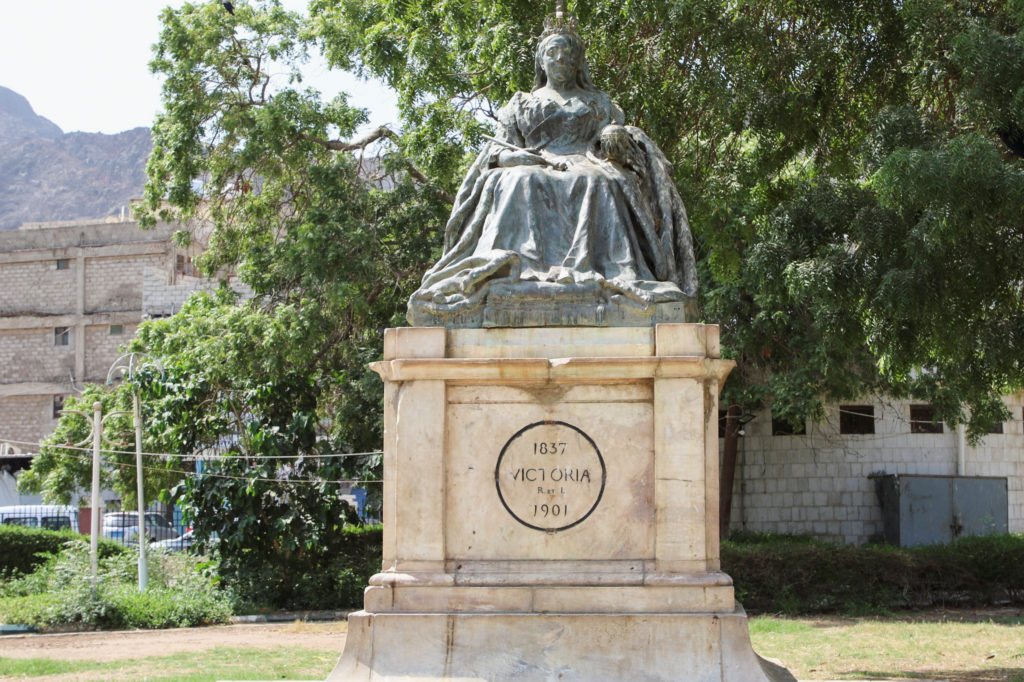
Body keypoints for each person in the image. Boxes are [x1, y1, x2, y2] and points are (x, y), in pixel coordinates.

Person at [407, 11, 697, 327]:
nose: (559, 58)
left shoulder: (598, 101)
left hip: (586, 161)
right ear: (541, 61)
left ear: (578, 62)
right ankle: (523, 269)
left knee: (596, 181)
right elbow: (500, 150)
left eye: (566, 52)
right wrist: (512, 159)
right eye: (552, 52)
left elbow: (615, 144)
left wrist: (616, 137)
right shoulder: (520, 103)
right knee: (520, 180)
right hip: (531, 162)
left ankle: (601, 269)